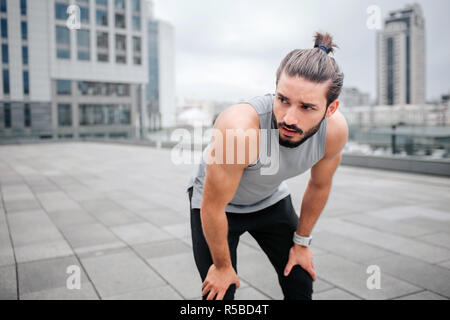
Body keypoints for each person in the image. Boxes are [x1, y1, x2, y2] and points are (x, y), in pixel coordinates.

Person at [186, 32, 348, 300]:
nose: (289, 118)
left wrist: (302, 243)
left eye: (307, 107)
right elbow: (212, 206)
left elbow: (319, 185)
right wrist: (223, 267)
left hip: (270, 199)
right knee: (219, 294)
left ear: (330, 109)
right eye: (283, 99)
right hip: (218, 206)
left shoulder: (334, 132)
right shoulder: (239, 130)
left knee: (300, 279)